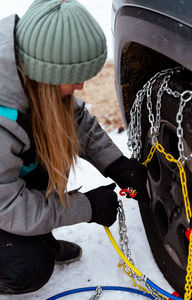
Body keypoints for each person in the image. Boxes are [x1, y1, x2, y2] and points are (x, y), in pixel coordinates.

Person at [0, 0, 148, 295]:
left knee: (48, 150)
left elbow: (74, 118)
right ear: (46, 75)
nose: (81, 86)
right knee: (29, 266)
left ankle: (38, 237)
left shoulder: (29, 69)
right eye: (74, 78)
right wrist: (87, 207)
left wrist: (115, 163)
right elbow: (7, 206)